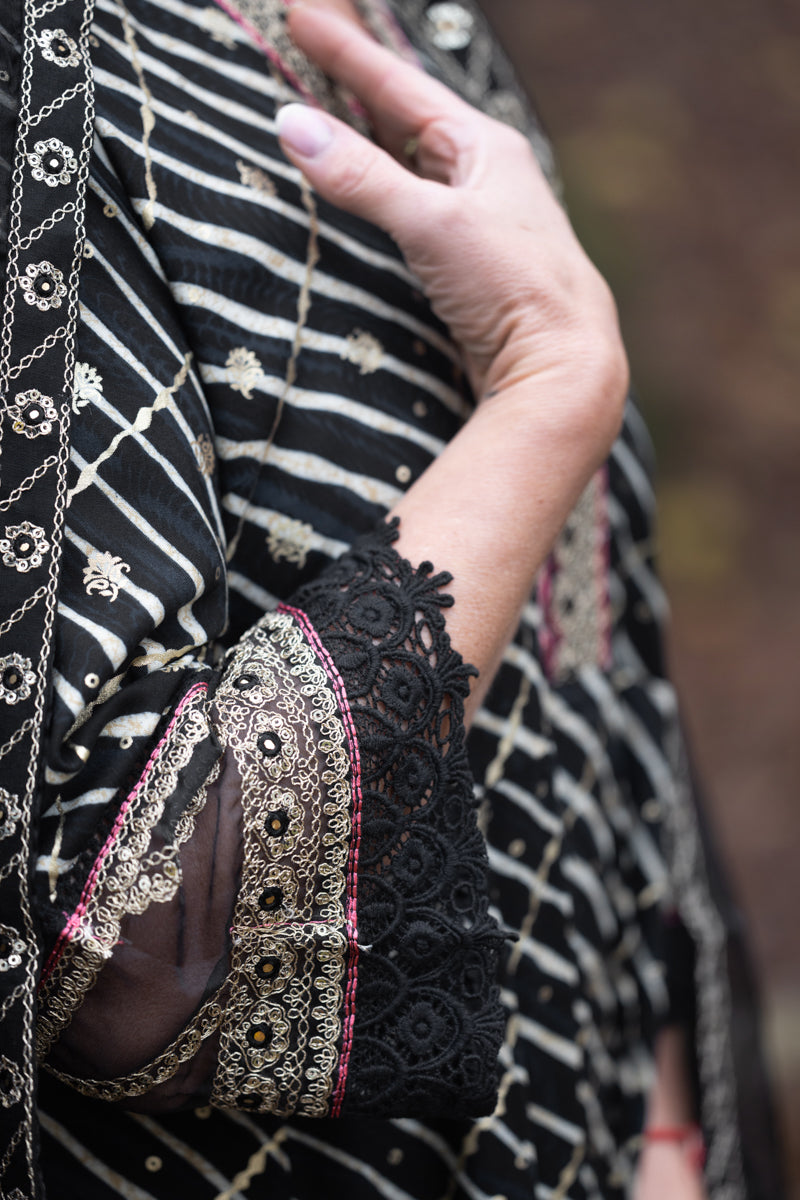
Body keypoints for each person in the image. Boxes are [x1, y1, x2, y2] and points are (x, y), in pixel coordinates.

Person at [0, 1, 780, 1197]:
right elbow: (124, 972)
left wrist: (669, 1137)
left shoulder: (432, 40)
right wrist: (549, 381)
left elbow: (593, 716)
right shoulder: (48, 73)